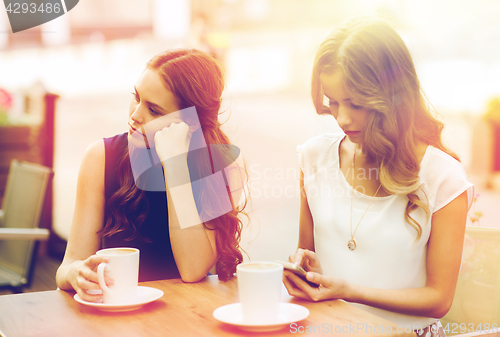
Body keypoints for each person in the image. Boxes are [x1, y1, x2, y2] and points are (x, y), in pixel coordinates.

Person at [283, 17, 473, 337]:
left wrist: (350, 290)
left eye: (356, 104)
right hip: (330, 330)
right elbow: (309, 255)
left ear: (394, 96)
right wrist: (306, 271)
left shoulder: (442, 177)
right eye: (333, 102)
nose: (341, 118)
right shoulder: (314, 157)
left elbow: (439, 299)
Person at [56, 49, 246, 303]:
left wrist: (175, 164)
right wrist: (76, 273)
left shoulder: (218, 166)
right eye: (137, 97)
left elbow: (192, 269)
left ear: (190, 123)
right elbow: (66, 266)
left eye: (154, 110)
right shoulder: (101, 157)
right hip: (117, 317)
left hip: (187, 317)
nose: (135, 115)